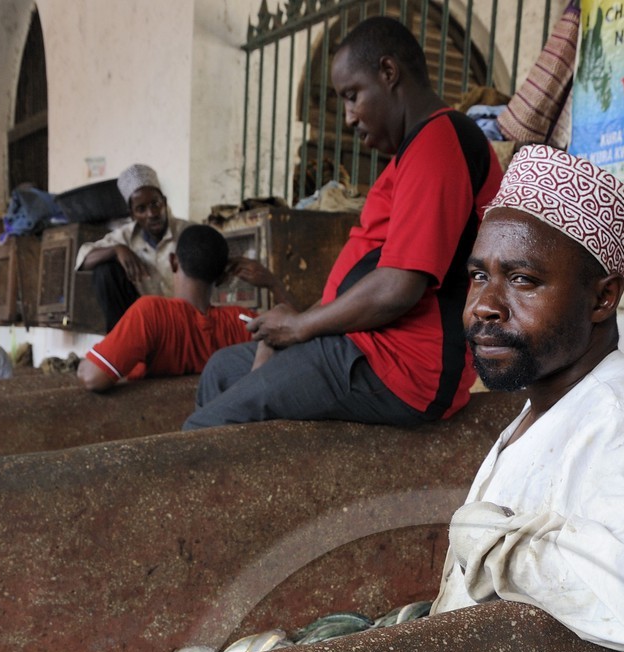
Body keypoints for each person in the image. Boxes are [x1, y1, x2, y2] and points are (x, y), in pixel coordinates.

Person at [430, 146, 624, 652]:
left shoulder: (620, 417)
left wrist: (495, 544)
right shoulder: (550, 401)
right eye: (478, 276)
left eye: (523, 281)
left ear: (603, 298)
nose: (486, 306)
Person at [182, 16, 502, 431]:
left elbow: (398, 287)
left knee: (204, 429)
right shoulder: (412, 154)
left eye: (353, 96)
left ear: (388, 73)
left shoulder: (439, 142)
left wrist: (300, 327)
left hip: (403, 367)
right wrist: (295, 323)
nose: (349, 117)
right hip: (365, 346)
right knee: (224, 369)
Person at [77, 224, 252, 390]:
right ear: (222, 278)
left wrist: (84, 365)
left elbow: (93, 377)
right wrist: (273, 285)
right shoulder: (241, 321)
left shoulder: (151, 313)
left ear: (173, 262)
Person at [77, 164, 188, 332]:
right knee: (105, 271)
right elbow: (83, 260)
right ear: (132, 214)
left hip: (182, 323)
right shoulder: (125, 236)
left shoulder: (187, 232)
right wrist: (116, 250)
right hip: (144, 325)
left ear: (164, 202)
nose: (151, 214)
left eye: (155, 204)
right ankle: (119, 342)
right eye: (141, 209)